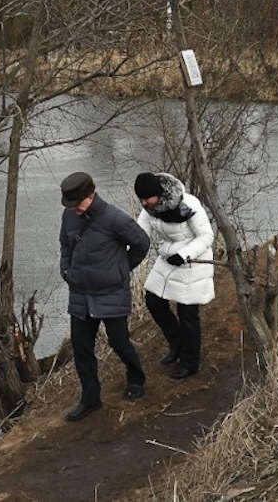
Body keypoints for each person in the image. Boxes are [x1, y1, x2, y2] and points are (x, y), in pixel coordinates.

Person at [58, 171, 150, 422]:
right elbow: (65, 245)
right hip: (80, 294)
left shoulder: (115, 218)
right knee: (82, 349)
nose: (74, 209)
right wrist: (66, 270)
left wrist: (121, 269)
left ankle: (136, 379)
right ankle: (90, 398)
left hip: (111, 293)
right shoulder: (69, 215)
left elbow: (142, 242)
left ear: (91, 195)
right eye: (70, 205)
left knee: (119, 342)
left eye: (78, 203)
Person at [134, 171, 215, 380]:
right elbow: (139, 234)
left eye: (147, 198)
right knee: (153, 300)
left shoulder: (188, 204)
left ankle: (190, 362)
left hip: (193, 261)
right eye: (141, 199)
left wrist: (184, 254)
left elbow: (207, 236)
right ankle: (177, 344)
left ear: (159, 193)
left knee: (188, 313)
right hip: (169, 258)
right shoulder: (149, 208)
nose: (144, 203)